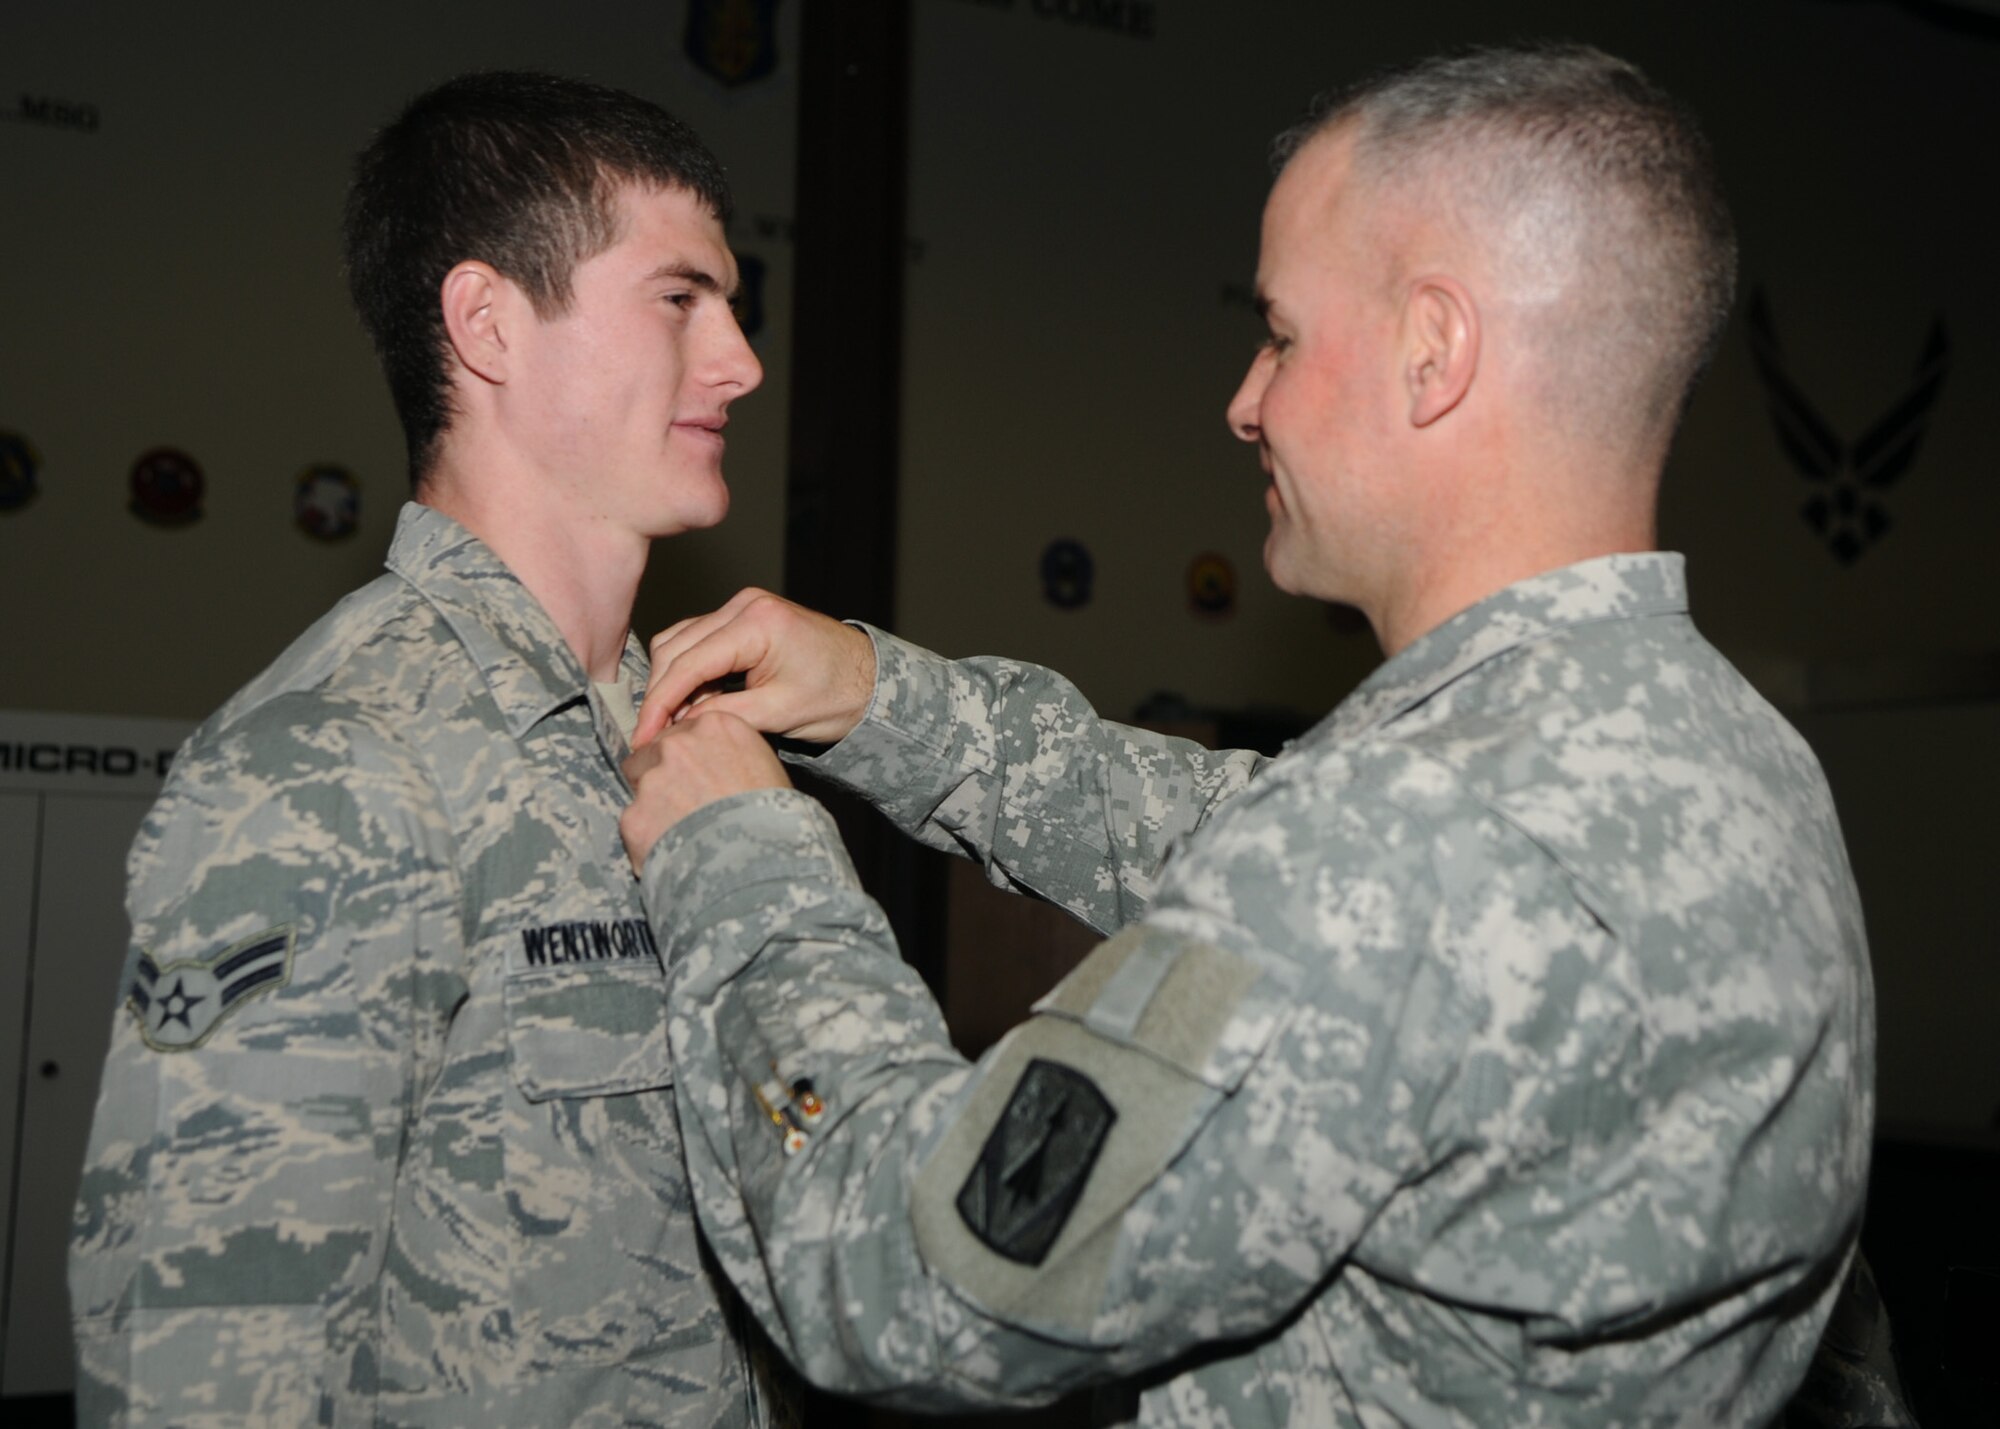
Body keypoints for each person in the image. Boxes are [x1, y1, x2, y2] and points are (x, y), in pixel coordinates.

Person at [616, 42, 1877, 1427]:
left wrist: (741, 862)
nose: (1245, 396)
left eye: (1279, 332)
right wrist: (882, 696)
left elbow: (901, 1272)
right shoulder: (1736, 767)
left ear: (1433, 350)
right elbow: (1262, 843)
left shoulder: (1400, 847)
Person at [70, 72, 769, 1426]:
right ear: (489, 323)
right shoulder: (330, 768)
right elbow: (203, 1376)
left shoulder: (686, 741)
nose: (739, 358)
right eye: (683, 299)